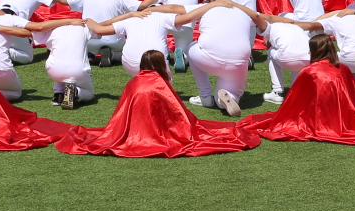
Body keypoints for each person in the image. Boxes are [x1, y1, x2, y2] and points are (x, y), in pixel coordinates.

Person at [56, 50, 262, 158]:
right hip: (159, 131)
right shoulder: (161, 84)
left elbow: (121, 113)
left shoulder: (133, 82)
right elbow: (177, 114)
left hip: (133, 130)